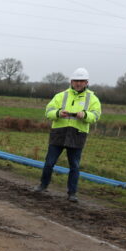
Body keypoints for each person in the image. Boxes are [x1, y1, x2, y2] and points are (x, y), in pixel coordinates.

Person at [35, 67, 102, 202]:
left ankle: (72, 193)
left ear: (86, 82)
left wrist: (85, 115)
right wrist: (58, 113)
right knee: (49, 163)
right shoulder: (60, 96)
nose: (78, 83)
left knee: (75, 166)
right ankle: (43, 185)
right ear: (71, 81)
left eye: (81, 81)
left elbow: (96, 116)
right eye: (76, 80)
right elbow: (48, 112)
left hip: (77, 135)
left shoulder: (92, 98)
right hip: (58, 133)